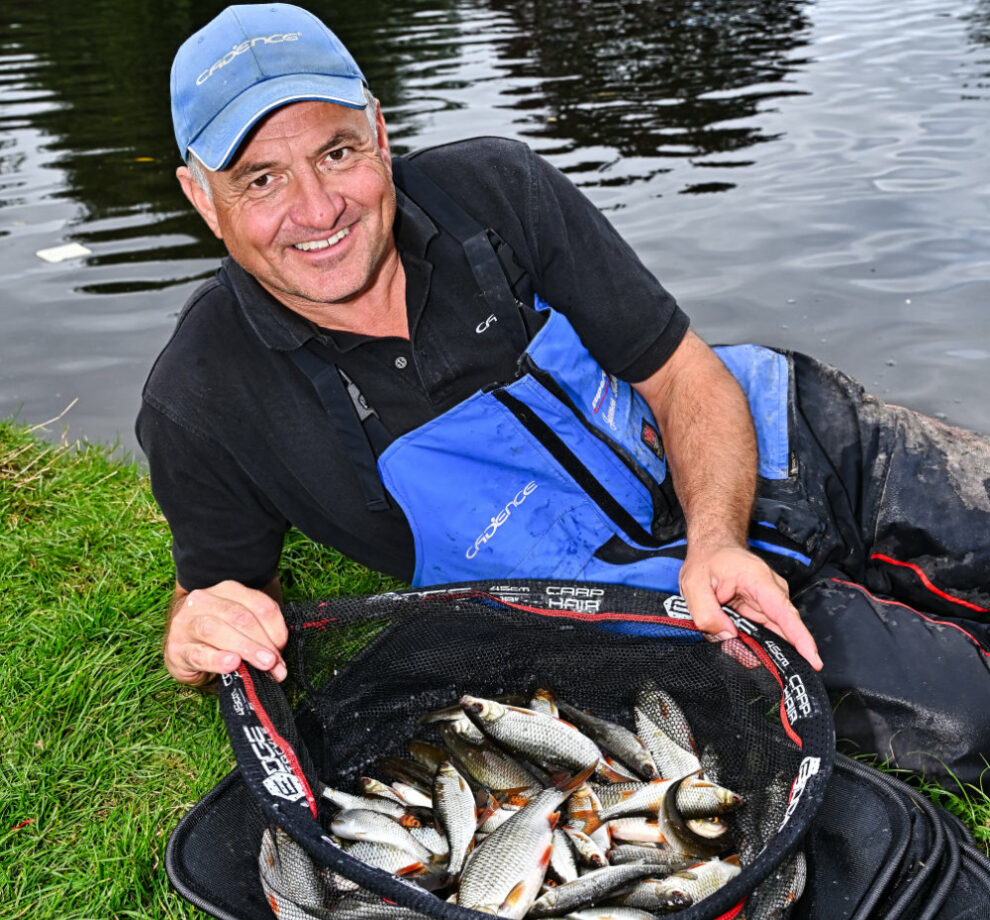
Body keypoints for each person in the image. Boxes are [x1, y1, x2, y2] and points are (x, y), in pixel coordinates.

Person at [141, 4, 990, 786]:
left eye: (337, 152)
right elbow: (217, 592)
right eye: (261, 180)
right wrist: (195, 634)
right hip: (648, 612)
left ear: (380, 133)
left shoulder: (497, 192)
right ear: (198, 199)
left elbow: (681, 372)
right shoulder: (203, 399)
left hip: (778, 437)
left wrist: (720, 542)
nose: (319, 208)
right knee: (964, 717)